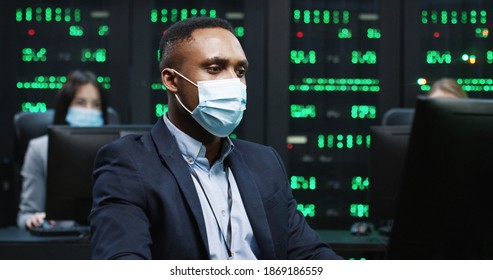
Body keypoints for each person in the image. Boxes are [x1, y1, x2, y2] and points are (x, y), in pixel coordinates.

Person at [90, 17, 342, 260]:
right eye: (215, 68)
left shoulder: (264, 162)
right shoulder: (128, 163)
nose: (234, 82)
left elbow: (308, 253)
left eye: (240, 70)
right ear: (171, 80)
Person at [17, 70, 109, 229]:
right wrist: (33, 220)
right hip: (59, 243)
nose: (89, 110)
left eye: (96, 104)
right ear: (66, 107)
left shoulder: (116, 149)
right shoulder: (39, 149)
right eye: (80, 103)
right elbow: (25, 215)